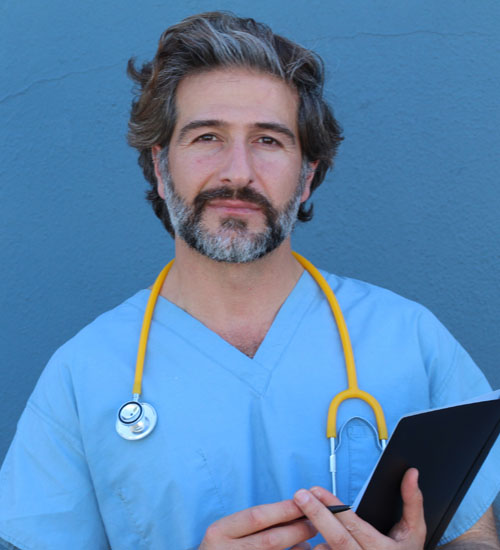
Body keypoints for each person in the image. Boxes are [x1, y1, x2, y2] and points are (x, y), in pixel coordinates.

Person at [0, 11, 498, 550]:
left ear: (306, 175)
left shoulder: (410, 339)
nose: (237, 172)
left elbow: (475, 538)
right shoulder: (84, 374)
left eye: (268, 140)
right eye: (207, 136)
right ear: (162, 167)